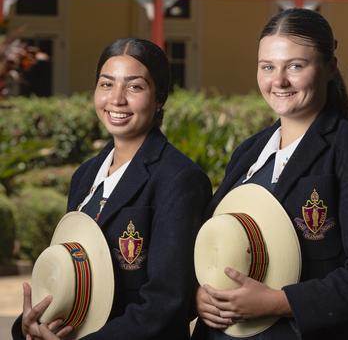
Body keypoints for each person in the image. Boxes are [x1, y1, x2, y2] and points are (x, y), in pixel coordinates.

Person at [193, 8, 348, 339]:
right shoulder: (247, 153)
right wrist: (200, 294)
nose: (278, 81)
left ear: (330, 68)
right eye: (267, 67)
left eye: (295, 66)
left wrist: (280, 302)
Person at [13, 38, 212, 339]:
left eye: (134, 87)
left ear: (159, 97)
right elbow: (72, 277)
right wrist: (33, 324)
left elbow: (166, 303)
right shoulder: (85, 176)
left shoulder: (179, 179)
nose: (116, 99)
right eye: (106, 84)